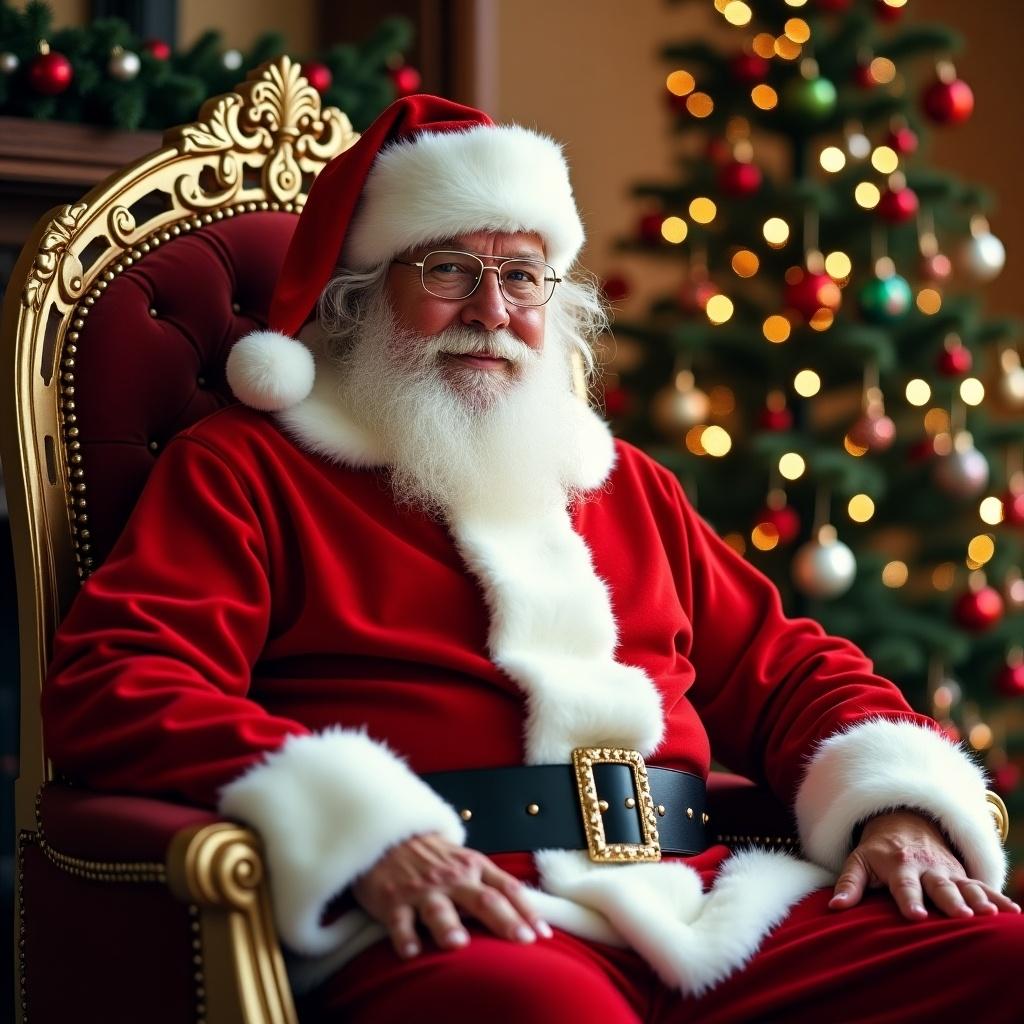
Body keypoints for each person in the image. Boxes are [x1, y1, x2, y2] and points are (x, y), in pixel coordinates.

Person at [44, 94, 1022, 1023]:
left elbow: (791, 670)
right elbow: (118, 681)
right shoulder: (249, 470)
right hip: (459, 903)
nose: (490, 307)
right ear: (360, 298)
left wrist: (896, 806)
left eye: (520, 274)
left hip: (697, 900)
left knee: (994, 956)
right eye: (444, 269)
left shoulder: (621, 481)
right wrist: (361, 830)